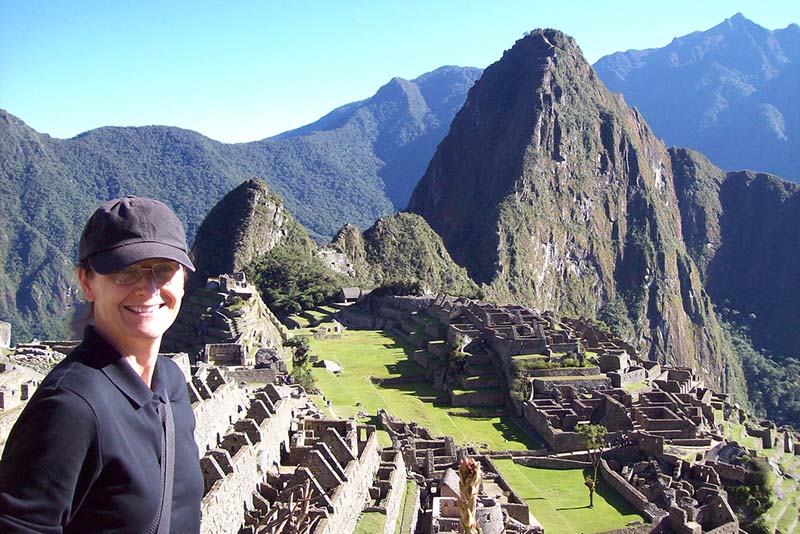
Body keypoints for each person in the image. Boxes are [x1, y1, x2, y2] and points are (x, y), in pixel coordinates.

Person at [0, 196, 204, 533]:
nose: (148, 288)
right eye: (125, 272)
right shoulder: (70, 407)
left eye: (163, 270)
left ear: (182, 279)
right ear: (86, 282)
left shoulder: (170, 384)